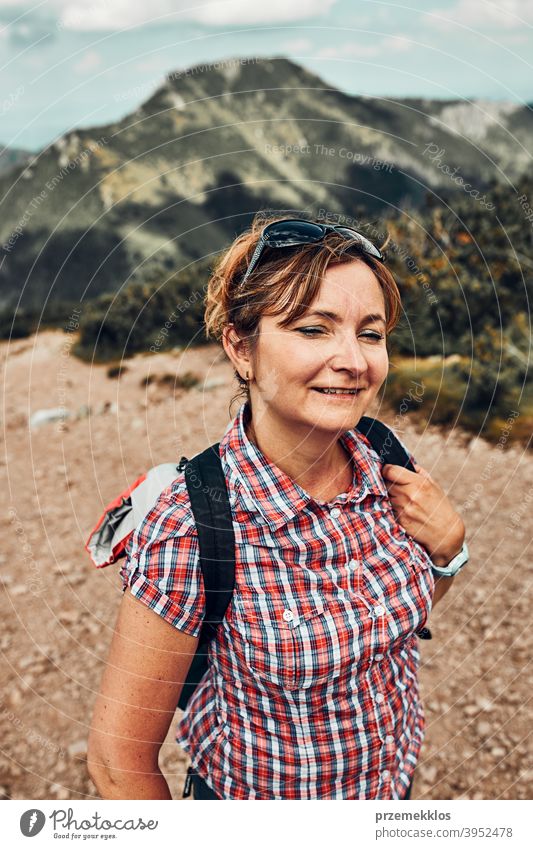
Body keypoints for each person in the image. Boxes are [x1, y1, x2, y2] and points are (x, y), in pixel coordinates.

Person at [87, 214, 466, 800]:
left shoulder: (386, 461)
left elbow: (386, 621)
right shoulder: (192, 527)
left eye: (370, 333)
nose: (354, 360)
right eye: (314, 329)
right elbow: (119, 762)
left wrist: (447, 553)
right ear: (242, 348)